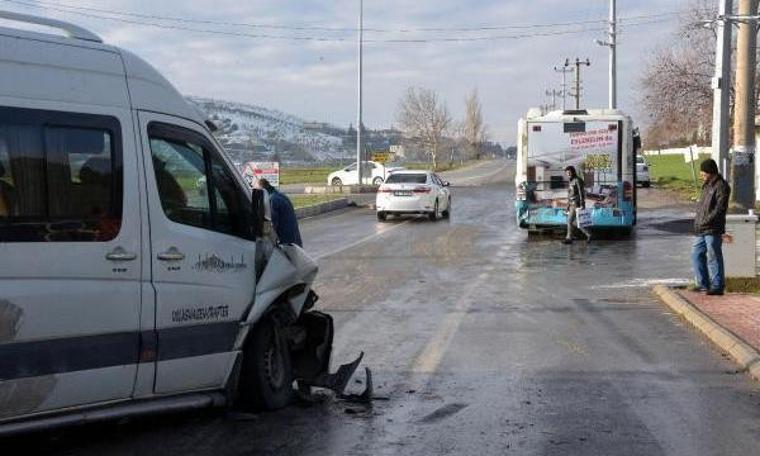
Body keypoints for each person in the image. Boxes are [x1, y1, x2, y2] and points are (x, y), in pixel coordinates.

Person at [691, 158, 730, 295]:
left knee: (713, 255)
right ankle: (703, 284)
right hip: (701, 228)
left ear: (710, 172)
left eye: (703, 173)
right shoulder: (706, 185)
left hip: (713, 228)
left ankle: (717, 285)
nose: (702, 176)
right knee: (696, 254)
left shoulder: (721, 186)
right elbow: (702, 206)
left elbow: (720, 209)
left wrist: (706, 220)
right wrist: (698, 222)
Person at [255, 178, 303, 247]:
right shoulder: (281, 196)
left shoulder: (272, 200)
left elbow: (272, 225)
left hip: (287, 243)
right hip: (295, 240)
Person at [562, 165, 591, 244]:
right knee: (576, 222)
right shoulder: (571, 181)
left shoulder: (578, 180)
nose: (568, 174)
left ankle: (569, 238)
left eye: (569, 172)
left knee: (569, 221)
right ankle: (588, 234)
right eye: (567, 173)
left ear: (573, 172)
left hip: (576, 203)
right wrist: (567, 206)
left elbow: (581, 192)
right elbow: (569, 195)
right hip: (571, 203)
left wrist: (582, 204)